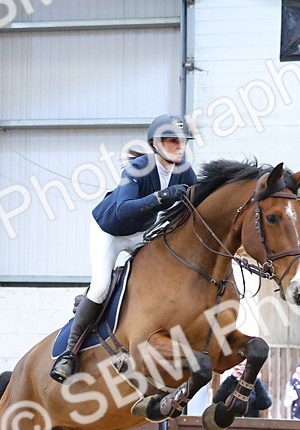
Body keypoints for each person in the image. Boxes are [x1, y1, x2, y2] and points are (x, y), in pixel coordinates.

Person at [49, 114, 198, 382]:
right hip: (110, 230)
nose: (179, 147)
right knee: (101, 286)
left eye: (182, 142)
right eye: (172, 141)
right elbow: (123, 209)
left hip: (142, 233)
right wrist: (161, 197)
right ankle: (69, 354)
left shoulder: (184, 170)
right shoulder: (138, 168)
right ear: (155, 144)